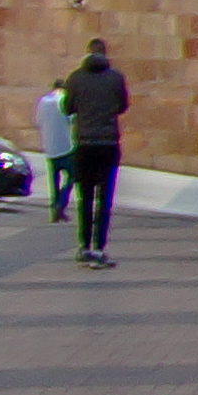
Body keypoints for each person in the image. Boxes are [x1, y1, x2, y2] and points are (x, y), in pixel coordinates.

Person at [60, 40, 128, 266]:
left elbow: (66, 108)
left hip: (84, 143)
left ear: (87, 53)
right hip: (108, 143)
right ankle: (99, 248)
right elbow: (122, 106)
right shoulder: (116, 77)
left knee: (85, 198)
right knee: (104, 198)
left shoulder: (75, 77)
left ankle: (83, 245)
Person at [34, 76, 71, 224]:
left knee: (53, 180)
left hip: (49, 147)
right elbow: (72, 118)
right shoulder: (63, 101)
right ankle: (61, 203)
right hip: (66, 147)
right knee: (72, 177)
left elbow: (37, 122)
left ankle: (55, 208)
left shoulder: (43, 102)